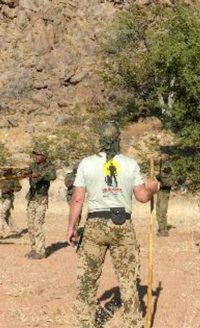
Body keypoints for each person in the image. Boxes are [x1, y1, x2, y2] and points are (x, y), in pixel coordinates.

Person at [66, 121, 159, 328]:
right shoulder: (130, 163)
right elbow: (143, 196)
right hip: (122, 225)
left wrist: (71, 227)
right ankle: (132, 323)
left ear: (100, 139)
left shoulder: (87, 163)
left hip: (94, 226)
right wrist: (153, 188)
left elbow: (77, 200)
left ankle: (85, 323)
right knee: (128, 280)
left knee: (87, 279)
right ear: (118, 139)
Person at [25, 148, 57, 259]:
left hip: (41, 198)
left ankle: (41, 251)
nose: (36, 157)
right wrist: (26, 173)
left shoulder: (49, 167)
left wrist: (40, 175)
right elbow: (25, 172)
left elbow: (53, 176)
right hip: (32, 198)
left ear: (44, 157)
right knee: (30, 224)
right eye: (36, 155)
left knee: (38, 224)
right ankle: (34, 248)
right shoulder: (32, 165)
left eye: (39, 155)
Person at [156, 154, 175, 237]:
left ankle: (163, 230)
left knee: (162, 211)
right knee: (158, 211)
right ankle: (161, 227)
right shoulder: (163, 167)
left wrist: (158, 176)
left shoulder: (168, 168)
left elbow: (165, 178)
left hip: (165, 191)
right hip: (160, 191)